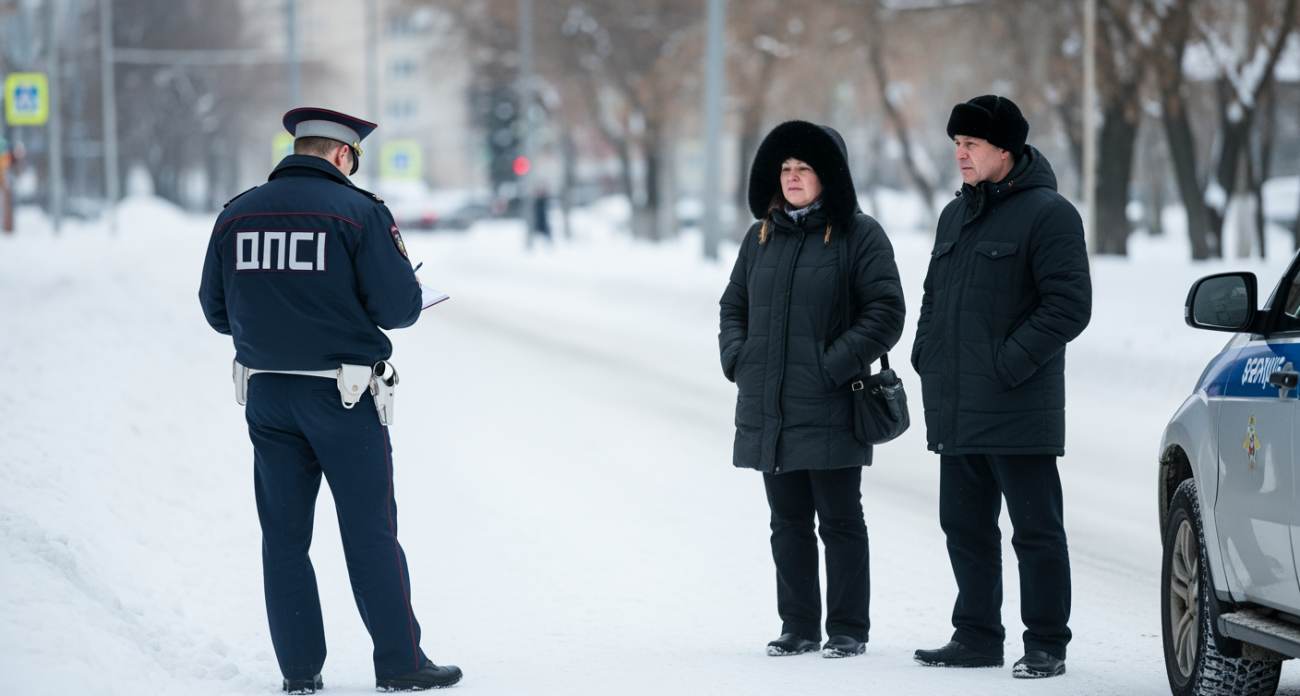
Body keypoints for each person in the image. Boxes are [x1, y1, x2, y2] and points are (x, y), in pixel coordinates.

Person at [198, 108, 461, 693]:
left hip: (266, 395)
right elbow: (398, 309)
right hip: (343, 396)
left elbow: (217, 313)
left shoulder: (235, 214)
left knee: (284, 537)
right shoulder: (361, 213)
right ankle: (399, 663)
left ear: (299, 148)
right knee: (369, 530)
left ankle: (299, 673)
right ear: (344, 155)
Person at [910, 95, 1091, 679]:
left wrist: (1007, 365)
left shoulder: (1049, 213)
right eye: (956, 144)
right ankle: (977, 635)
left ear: (1005, 151)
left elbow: (1069, 306)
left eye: (972, 145)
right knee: (963, 525)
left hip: (1018, 404)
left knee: (1035, 531)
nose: (959, 155)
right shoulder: (954, 214)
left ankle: (1045, 643)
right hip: (958, 404)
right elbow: (934, 294)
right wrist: (926, 353)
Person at [719, 121, 905, 659]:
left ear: (830, 175)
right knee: (788, 523)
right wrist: (740, 357)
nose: (793, 177)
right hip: (771, 403)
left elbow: (886, 311)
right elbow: (734, 306)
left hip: (831, 402)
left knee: (841, 521)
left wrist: (833, 364)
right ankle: (798, 625)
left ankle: (848, 629)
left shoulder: (859, 234)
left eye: (804, 168)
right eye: (786, 169)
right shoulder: (761, 237)